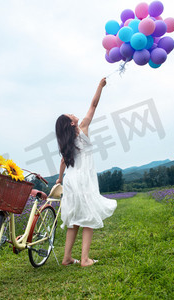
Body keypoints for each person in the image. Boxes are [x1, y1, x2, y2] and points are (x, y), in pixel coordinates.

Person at [55, 77, 117, 267]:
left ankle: (67, 258)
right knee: (88, 216)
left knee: (74, 219)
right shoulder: (82, 128)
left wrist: (59, 179)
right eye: (71, 115)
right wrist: (100, 85)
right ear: (72, 124)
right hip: (83, 180)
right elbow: (94, 104)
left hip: (70, 181)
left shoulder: (66, 142)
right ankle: (84, 259)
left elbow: (63, 162)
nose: (75, 115)